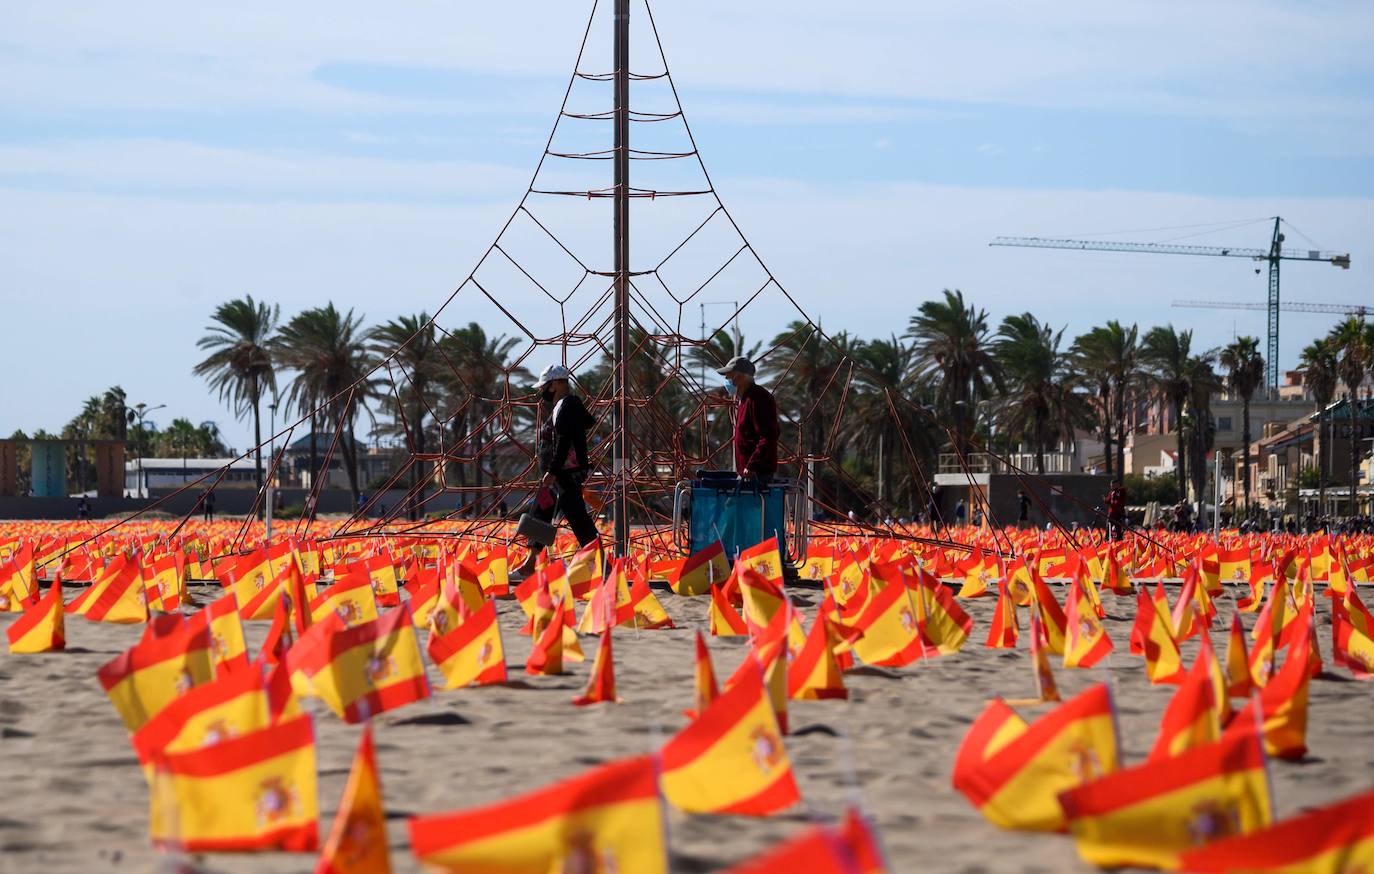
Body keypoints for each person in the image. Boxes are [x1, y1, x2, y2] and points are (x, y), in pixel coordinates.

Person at [513, 364, 600, 578]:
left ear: (556, 384)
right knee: (541, 516)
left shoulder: (567, 405)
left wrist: (552, 470)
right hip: (557, 478)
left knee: (578, 518)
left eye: (545, 386)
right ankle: (528, 565)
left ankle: (601, 566)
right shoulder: (564, 405)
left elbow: (563, 441)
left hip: (563, 476)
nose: (542, 391)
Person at [716, 355, 780, 486]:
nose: (726, 380)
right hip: (748, 474)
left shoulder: (758, 398)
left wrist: (752, 466)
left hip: (757, 476)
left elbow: (768, 435)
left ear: (739, 377)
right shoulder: (744, 399)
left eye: (728, 376)